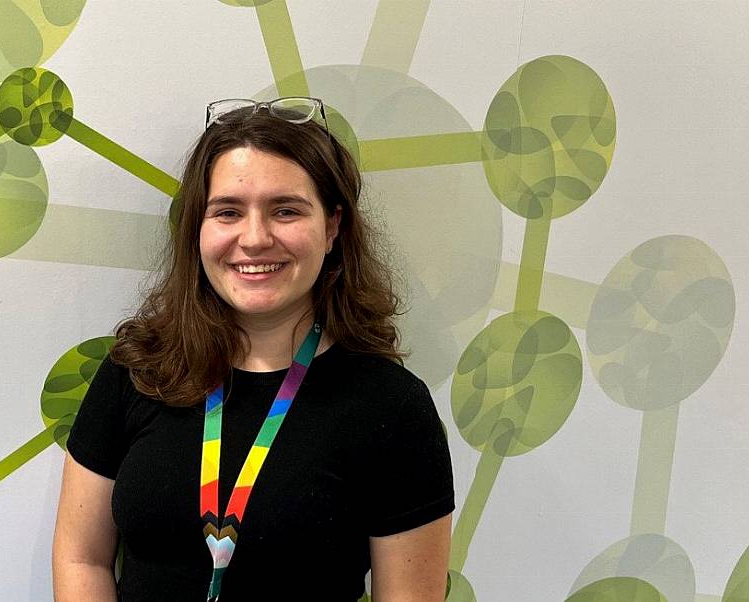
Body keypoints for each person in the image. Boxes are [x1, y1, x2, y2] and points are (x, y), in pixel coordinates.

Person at [53, 97, 454, 601]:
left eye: (286, 210)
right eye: (228, 212)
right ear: (198, 227)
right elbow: (80, 557)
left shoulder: (390, 407)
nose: (255, 238)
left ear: (332, 227)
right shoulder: (136, 372)